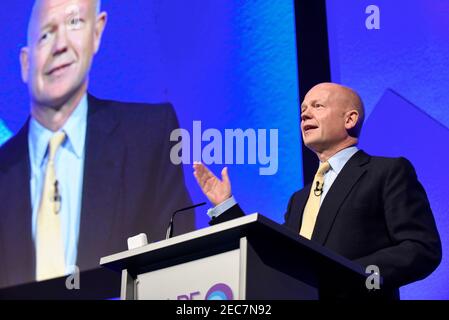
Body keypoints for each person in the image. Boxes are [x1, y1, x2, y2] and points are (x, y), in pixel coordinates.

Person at [0, 0, 194, 288]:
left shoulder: (150, 135)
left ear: (97, 32)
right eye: (45, 35)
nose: (60, 45)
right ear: (26, 63)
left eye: (74, 23)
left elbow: (181, 267)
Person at [193, 82, 442, 299]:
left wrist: (351, 277)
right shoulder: (299, 199)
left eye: (317, 106)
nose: (304, 115)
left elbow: (421, 248)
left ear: (350, 119)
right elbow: (276, 257)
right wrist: (226, 206)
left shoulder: (386, 172)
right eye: (302, 110)